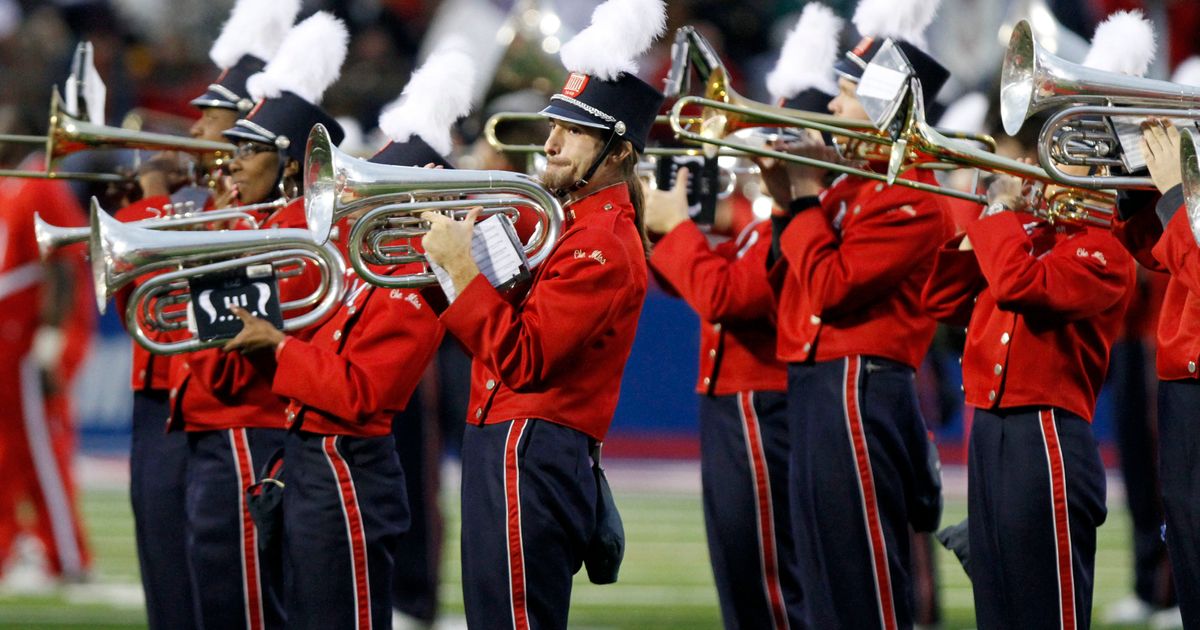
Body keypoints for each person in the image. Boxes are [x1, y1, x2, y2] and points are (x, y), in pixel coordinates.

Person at [419, 1, 665, 627]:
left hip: (531, 449)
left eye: (572, 132)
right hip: (503, 441)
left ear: (618, 151)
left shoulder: (603, 244)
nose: (550, 143)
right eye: (554, 126)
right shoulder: (563, 222)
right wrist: (441, 243)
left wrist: (462, 271)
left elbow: (524, 358)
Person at [639, 5, 845, 628]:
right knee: (742, 573)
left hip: (762, 403)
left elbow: (729, 296)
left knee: (769, 583)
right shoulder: (775, 221)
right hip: (737, 402)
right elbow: (703, 278)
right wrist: (656, 230)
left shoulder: (809, 219)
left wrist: (675, 228)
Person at [757, 0, 953, 626]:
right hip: (819, 384)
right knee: (817, 568)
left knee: (860, 569)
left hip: (861, 389)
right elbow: (783, 288)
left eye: (846, 94)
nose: (833, 107)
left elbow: (832, 288)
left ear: (885, 106)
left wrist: (806, 198)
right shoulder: (847, 187)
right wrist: (788, 202)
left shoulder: (913, 196)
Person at [107, 3, 301, 627]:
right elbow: (132, 298)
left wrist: (152, 207)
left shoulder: (249, 220)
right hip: (176, 404)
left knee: (213, 592)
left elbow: (172, 315)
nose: (192, 136)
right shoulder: (210, 209)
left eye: (211, 122)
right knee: (174, 581)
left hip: (207, 406)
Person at [164, 12, 347, 630]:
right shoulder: (253, 226)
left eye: (249, 151)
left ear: (290, 164)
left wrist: (201, 263)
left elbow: (221, 362)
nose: (230, 164)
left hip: (247, 430)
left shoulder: (293, 234)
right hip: (224, 430)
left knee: (245, 608)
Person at [922, 165, 1134, 627]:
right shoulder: (1030, 233)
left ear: (1099, 171)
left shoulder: (1104, 250)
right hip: (990, 428)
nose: (1040, 166)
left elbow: (1019, 286)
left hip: (1047, 433)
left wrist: (999, 213)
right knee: (996, 604)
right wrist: (988, 215)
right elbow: (941, 299)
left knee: (1045, 608)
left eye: (1061, 156)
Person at [1112, 118, 1200, 627]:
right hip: (1181, 381)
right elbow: (1157, 253)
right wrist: (1134, 191)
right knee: (1188, 548)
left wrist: (1173, 193)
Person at [0, 153, 94, 587]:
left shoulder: (37, 182)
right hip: (7, 337)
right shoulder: (8, 183)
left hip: (26, 335)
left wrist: (52, 337)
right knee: (8, 452)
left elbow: (62, 259)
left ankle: (67, 555)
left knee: (42, 447)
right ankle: (10, 544)